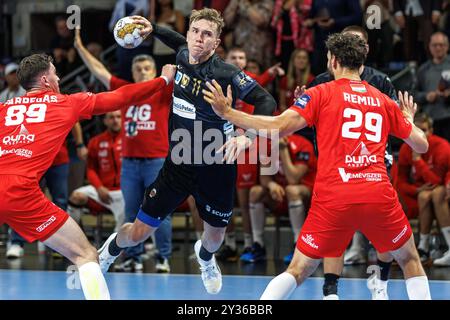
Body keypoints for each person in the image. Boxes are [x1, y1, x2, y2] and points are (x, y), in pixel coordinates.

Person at [203, 32, 431, 300]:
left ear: (333, 60)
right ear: (361, 63)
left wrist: (229, 114)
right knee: (409, 260)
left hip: (334, 197)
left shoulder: (321, 93)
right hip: (377, 194)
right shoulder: (382, 99)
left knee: (299, 269)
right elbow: (421, 145)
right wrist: (408, 119)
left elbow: (279, 127)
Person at [97, 9, 276, 295]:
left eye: (207, 35)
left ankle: (205, 258)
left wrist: (247, 136)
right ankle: (110, 249)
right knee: (139, 233)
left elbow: (267, 101)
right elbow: (177, 40)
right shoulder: (182, 54)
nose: (198, 39)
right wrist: (152, 27)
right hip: (178, 163)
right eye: (195, 31)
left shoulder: (227, 74)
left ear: (216, 43)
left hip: (216, 165)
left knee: (215, 238)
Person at [0, 52, 175, 300]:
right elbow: (121, 97)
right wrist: (163, 81)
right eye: (54, 72)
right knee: (86, 255)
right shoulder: (67, 103)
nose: (58, 77)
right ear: (46, 80)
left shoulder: (4, 108)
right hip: (20, 193)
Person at [307, 25, 399, 300]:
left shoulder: (380, 81)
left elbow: (397, 124)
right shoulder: (322, 81)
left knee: (383, 230)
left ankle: (380, 284)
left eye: (357, 42)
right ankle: (331, 290)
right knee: (336, 227)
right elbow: (305, 123)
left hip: (374, 163)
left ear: (366, 48)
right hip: (335, 163)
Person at [74, 29, 174, 273]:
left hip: (156, 161)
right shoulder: (125, 89)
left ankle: (163, 257)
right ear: (132, 72)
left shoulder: (164, 90)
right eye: (137, 69)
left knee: (160, 211)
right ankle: (134, 257)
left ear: (154, 72)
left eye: (146, 69)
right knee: (131, 212)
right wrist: (79, 48)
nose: (141, 72)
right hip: (129, 163)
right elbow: (99, 71)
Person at [242, 134, 316, 264]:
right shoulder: (268, 144)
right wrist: (272, 185)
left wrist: (283, 149)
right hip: (279, 196)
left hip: (306, 199)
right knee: (255, 192)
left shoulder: (303, 144)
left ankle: (299, 246)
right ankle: (258, 245)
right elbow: (264, 178)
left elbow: (293, 179)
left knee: (291, 190)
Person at [397, 113, 450, 266]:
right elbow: (400, 182)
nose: (421, 133)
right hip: (421, 196)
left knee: (437, 193)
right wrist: (416, 190)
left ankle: (425, 246)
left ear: (431, 131)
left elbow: (437, 181)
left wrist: (418, 161)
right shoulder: (405, 149)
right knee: (424, 196)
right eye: (417, 129)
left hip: (443, 193)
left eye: (424, 130)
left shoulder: (442, 146)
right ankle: (423, 249)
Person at [67, 110, 125, 233]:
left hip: (124, 192)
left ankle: (118, 248)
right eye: (111, 117)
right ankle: (73, 235)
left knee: (124, 224)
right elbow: (91, 169)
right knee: (76, 196)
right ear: (105, 121)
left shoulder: (130, 140)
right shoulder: (95, 142)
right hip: (102, 191)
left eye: (119, 117)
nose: (115, 120)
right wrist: (99, 187)